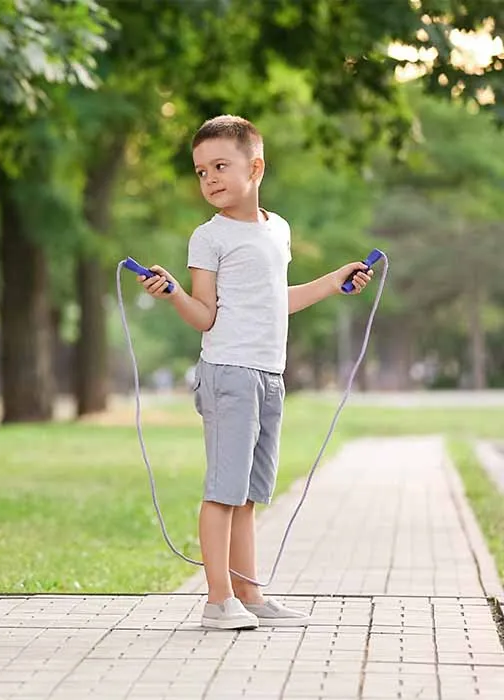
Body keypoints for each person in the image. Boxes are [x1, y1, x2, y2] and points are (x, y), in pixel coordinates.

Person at [138, 116, 372, 630]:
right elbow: (207, 315)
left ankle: (250, 595)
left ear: (256, 166)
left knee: (248, 493)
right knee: (223, 490)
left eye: (220, 166)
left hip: (270, 374)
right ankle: (217, 601)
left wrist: (333, 282)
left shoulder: (278, 229)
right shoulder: (209, 237)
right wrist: (174, 293)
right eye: (201, 172)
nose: (210, 180)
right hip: (228, 374)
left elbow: (274, 301)